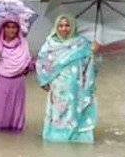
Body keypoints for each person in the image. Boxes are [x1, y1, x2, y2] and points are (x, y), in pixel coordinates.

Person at [36, 14, 99, 143]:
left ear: (72, 26)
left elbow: (93, 66)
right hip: (58, 87)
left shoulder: (82, 43)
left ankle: (75, 137)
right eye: (61, 25)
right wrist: (44, 81)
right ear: (56, 27)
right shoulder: (50, 45)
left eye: (67, 25)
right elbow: (41, 63)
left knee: (75, 111)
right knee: (58, 113)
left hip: (77, 87)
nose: (64, 28)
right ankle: (57, 137)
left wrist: (94, 53)